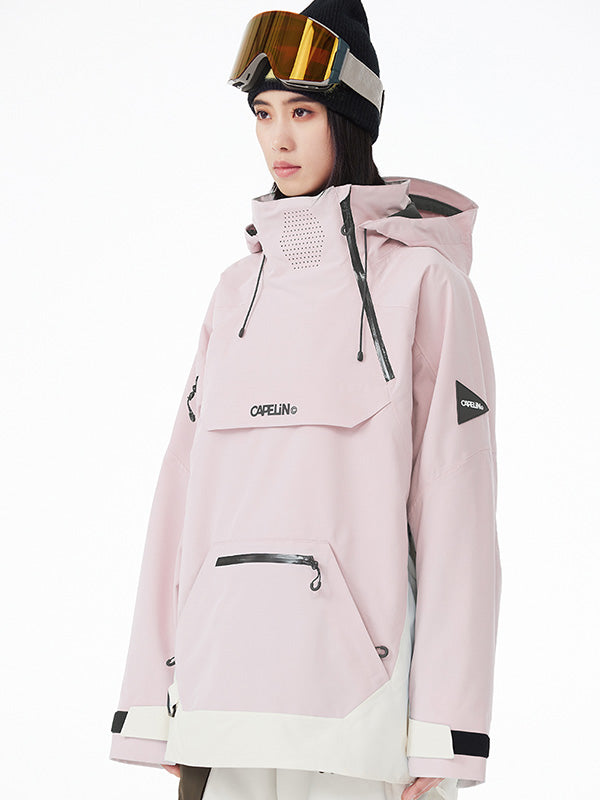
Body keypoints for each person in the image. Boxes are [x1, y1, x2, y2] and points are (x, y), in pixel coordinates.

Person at [108, 2, 502, 799]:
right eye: (263, 114)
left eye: (302, 112)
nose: (278, 140)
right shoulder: (235, 291)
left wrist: (446, 729)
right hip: (221, 699)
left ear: (349, 122)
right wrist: (152, 703)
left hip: (360, 716)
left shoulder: (423, 284)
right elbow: (179, 497)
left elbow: (456, 510)